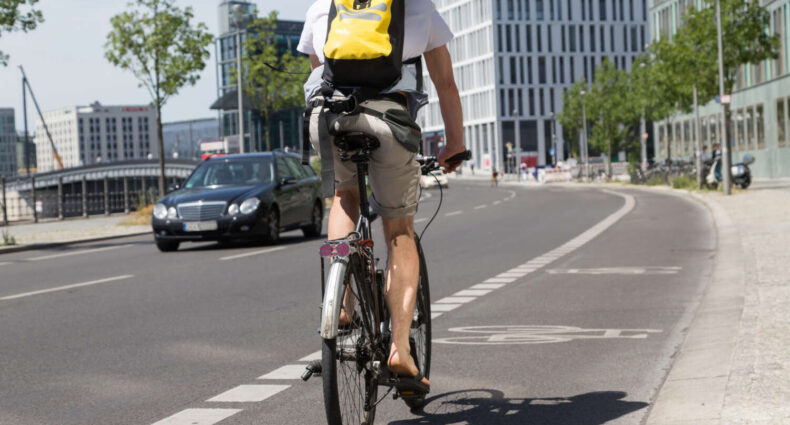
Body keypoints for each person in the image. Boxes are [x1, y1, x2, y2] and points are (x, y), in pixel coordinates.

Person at [298, 0, 465, 392]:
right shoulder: (418, 7)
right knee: (398, 230)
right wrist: (454, 144)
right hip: (388, 121)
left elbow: (318, 71)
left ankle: (341, 301)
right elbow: (445, 83)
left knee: (345, 195)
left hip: (329, 117)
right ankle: (399, 350)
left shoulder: (324, 5)